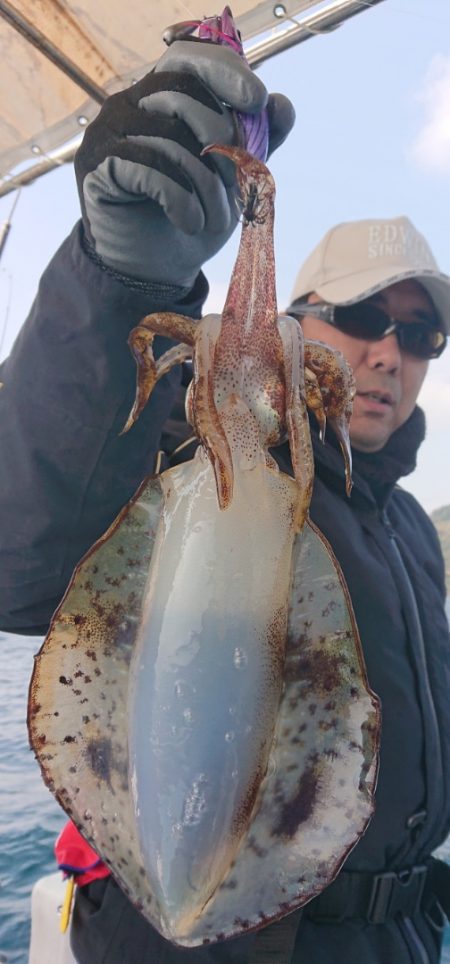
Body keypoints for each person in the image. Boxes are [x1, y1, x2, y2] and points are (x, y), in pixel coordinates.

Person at [0, 30, 449, 964]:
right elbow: (25, 550)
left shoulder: (409, 524)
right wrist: (121, 281)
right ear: (302, 324)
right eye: (363, 318)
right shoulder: (195, 463)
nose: (386, 354)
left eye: (420, 335)